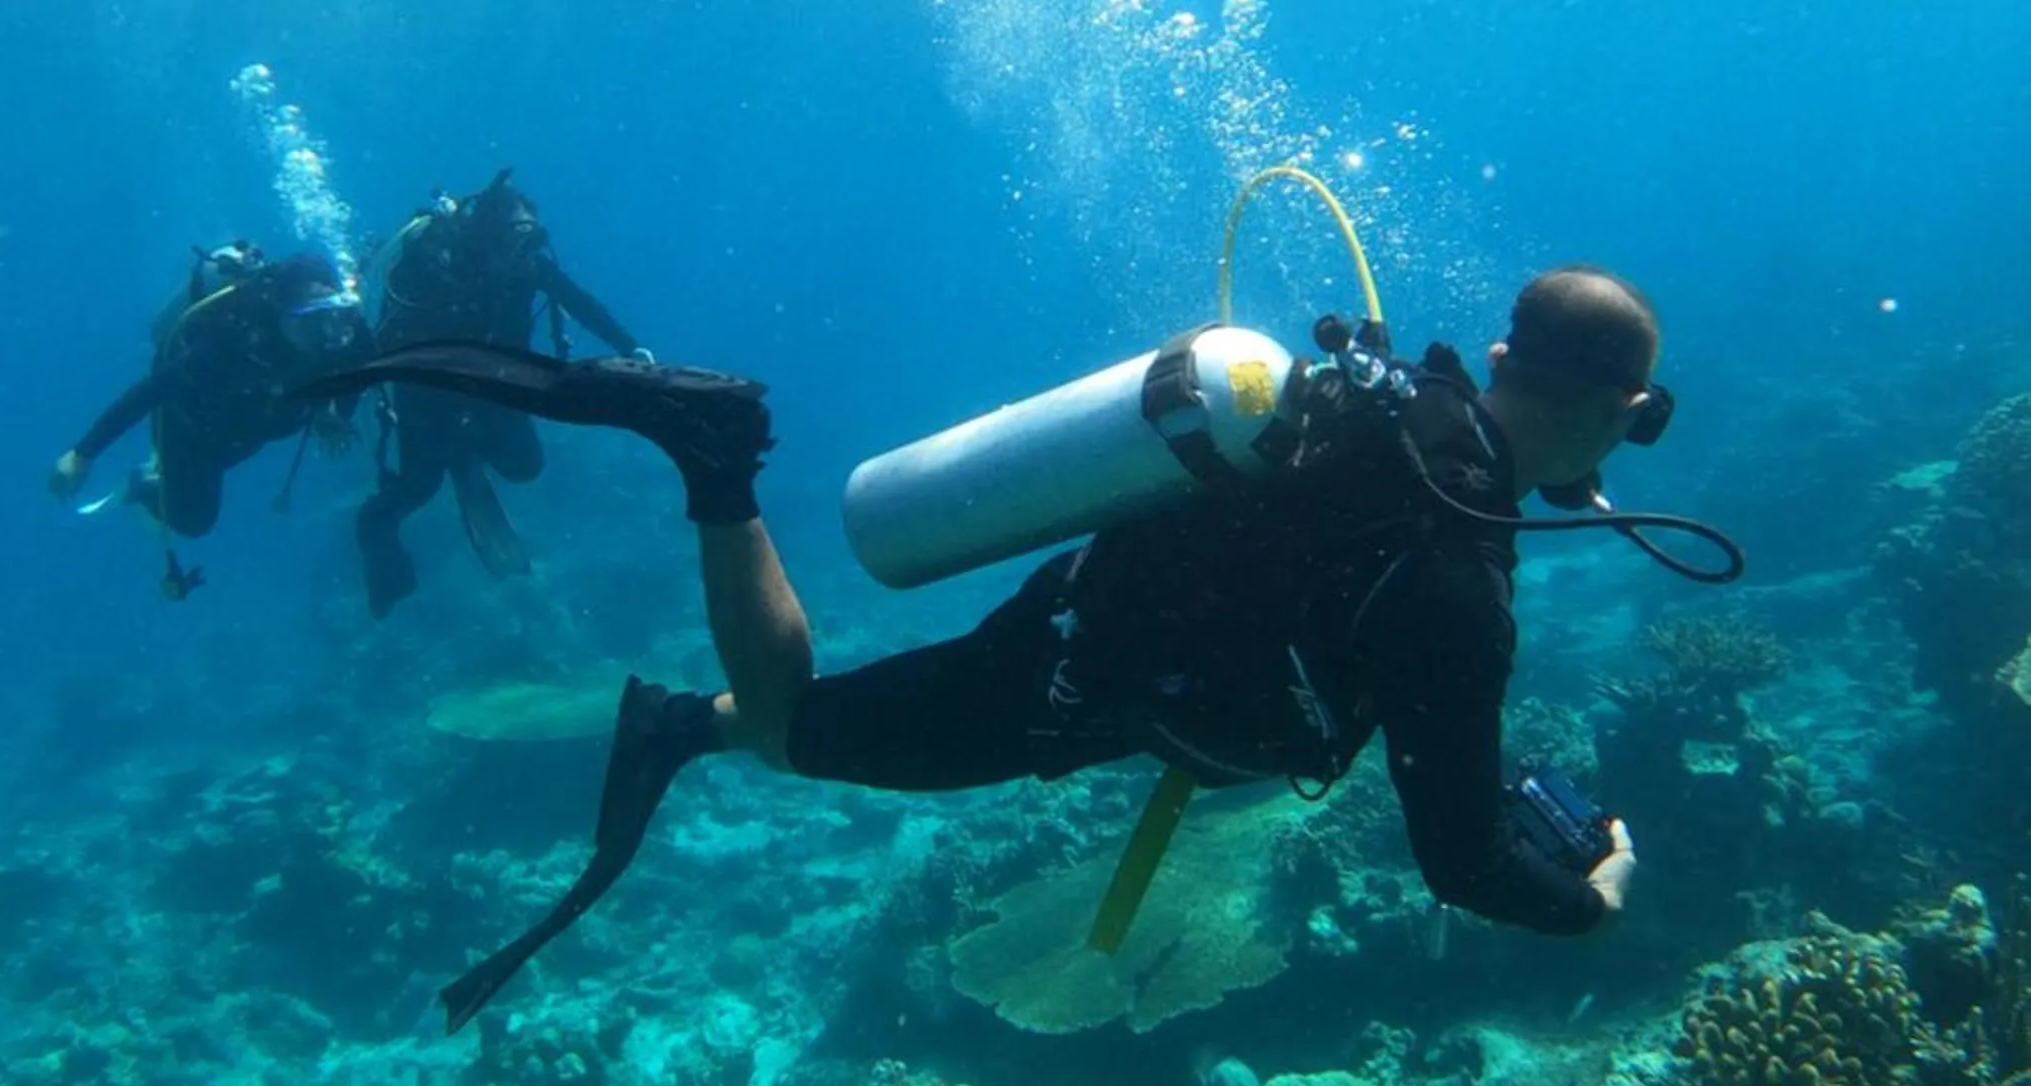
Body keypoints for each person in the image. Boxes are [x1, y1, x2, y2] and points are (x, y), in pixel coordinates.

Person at [325, 266, 1716, 1026]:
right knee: (801, 724)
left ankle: (681, 726)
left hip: (1077, 610)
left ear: (1500, 353)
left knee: (793, 719)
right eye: (1640, 423)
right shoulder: (1458, 577)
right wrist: (1588, 899)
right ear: (1624, 409)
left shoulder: (1405, 407)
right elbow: (1459, 858)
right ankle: (712, 463)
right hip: (1066, 688)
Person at [352, 169, 648, 618]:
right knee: (418, 488)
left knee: (526, 466)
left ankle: (464, 449)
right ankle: (375, 528)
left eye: (530, 234)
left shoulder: (529, 263)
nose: (523, 245)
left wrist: (629, 348)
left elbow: (580, 302)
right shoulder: (435, 264)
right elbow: (382, 340)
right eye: (514, 233)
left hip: (495, 385)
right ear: (487, 231)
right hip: (426, 392)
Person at [48, 244, 370, 580]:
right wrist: (82, 455)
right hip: (195, 434)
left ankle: (160, 477)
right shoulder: (229, 344)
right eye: (311, 320)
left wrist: (335, 413)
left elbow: (360, 373)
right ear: (282, 313)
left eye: (332, 315)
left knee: (234, 457)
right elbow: (149, 393)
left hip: (252, 430)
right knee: (194, 521)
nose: (327, 332)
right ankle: (143, 485)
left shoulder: (345, 333)